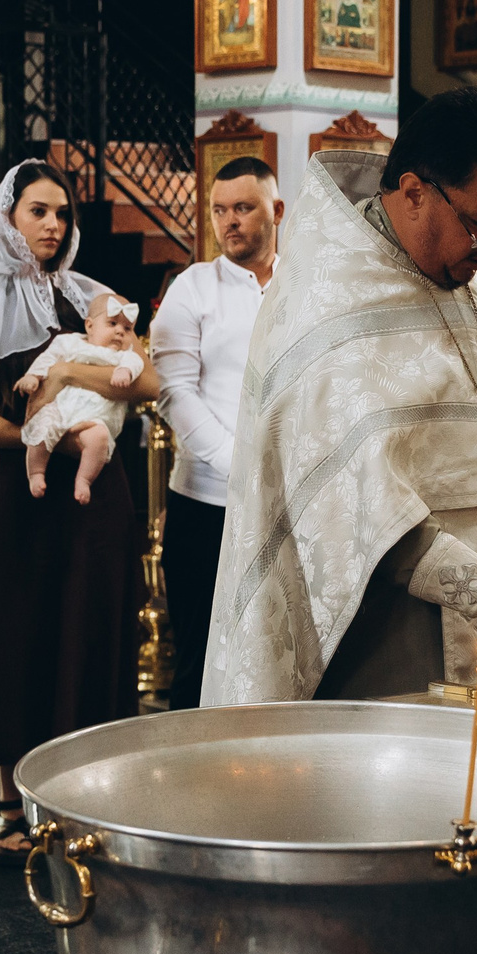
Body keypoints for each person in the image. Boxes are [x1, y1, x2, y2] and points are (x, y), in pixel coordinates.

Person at [203, 83, 477, 706]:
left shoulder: (453, 274)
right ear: (414, 192)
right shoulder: (325, 300)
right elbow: (355, 509)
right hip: (392, 632)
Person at [0, 163, 152, 858]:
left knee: (95, 626)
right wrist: (46, 439)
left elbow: (145, 379)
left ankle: (92, 797)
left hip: (99, 494)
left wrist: (65, 374)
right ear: (8, 218)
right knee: (20, 631)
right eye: (38, 210)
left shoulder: (94, 295)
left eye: (62, 212)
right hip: (25, 488)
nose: (53, 224)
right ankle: (11, 806)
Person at [153, 159, 282, 710]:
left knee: (278, 657)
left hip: (288, 502)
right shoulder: (193, 288)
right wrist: (240, 465)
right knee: (201, 663)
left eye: (244, 208)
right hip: (205, 507)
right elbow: (172, 393)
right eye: (220, 210)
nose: (230, 222)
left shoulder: (306, 286)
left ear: (276, 211)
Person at [16, 292, 143, 503]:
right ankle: (36, 472)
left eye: (127, 328)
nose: (120, 332)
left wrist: (125, 372)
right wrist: (32, 376)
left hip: (96, 416)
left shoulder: (125, 355)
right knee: (42, 427)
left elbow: (136, 364)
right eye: (112, 324)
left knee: (99, 438)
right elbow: (48, 358)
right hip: (61, 406)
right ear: (90, 326)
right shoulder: (70, 343)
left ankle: (84, 479)